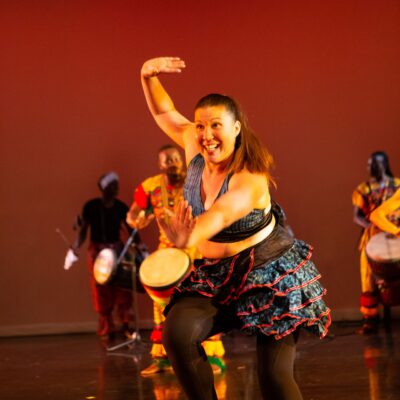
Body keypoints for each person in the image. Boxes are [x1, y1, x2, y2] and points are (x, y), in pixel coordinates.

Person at [139, 57, 331, 400]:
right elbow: (165, 113)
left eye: (216, 126)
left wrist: (189, 238)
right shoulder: (193, 147)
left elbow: (223, 214)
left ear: (237, 128)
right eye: (200, 126)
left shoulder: (249, 177)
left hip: (269, 274)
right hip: (218, 274)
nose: (206, 135)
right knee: (177, 334)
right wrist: (147, 76)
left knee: (273, 377)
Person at [126, 145, 226, 376]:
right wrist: (136, 219)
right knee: (161, 306)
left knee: (203, 302)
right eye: (166, 161)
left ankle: (211, 356)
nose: (172, 163)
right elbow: (133, 214)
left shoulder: (198, 182)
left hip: (198, 249)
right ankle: (162, 360)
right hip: (168, 252)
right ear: (160, 164)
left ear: (181, 160)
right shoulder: (150, 187)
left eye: (175, 159)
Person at [64, 172, 146, 340]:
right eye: (112, 185)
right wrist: (74, 249)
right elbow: (83, 231)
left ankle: (126, 325)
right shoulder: (91, 207)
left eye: (116, 184)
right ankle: (107, 328)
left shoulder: (121, 207)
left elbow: (131, 231)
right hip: (97, 252)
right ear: (103, 188)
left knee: (123, 288)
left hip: (117, 250)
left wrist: (142, 250)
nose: (116, 188)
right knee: (100, 290)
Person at [352, 152, 400, 334]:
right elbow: (357, 216)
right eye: (369, 164)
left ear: (384, 164)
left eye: (374, 164)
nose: (370, 168)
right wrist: (369, 226)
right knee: (367, 273)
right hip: (375, 234)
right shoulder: (363, 189)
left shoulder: (397, 185)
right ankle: (370, 319)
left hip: (395, 231)